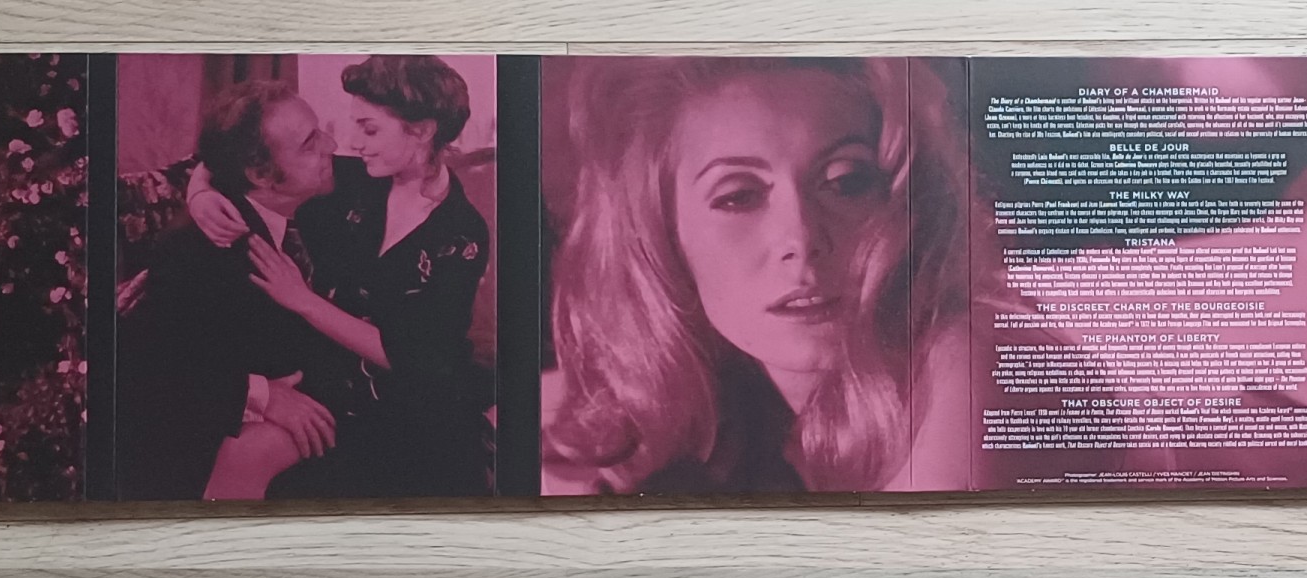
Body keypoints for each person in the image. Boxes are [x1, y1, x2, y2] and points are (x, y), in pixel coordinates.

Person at [546, 57, 988, 494]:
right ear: (662, 237)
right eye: (739, 196)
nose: (802, 238)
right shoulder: (700, 419)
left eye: (845, 182)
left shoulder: (969, 356)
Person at [187, 56, 494, 499]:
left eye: (369, 130)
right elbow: (237, 159)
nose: (352, 143)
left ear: (422, 130)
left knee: (250, 452)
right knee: (239, 450)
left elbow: (416, 359)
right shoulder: (354, 182)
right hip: (328, 386)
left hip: (411, 407)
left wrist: (303, 300)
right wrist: (200, 194)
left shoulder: (462, 234)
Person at [114, 81, 346, 501]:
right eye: (310, 142)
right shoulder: (195, 248)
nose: (331, 145)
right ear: (259, 175)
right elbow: (147, 369)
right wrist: (260, 395)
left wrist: (200, 186)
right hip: (201, 448)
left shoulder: (317, 196)